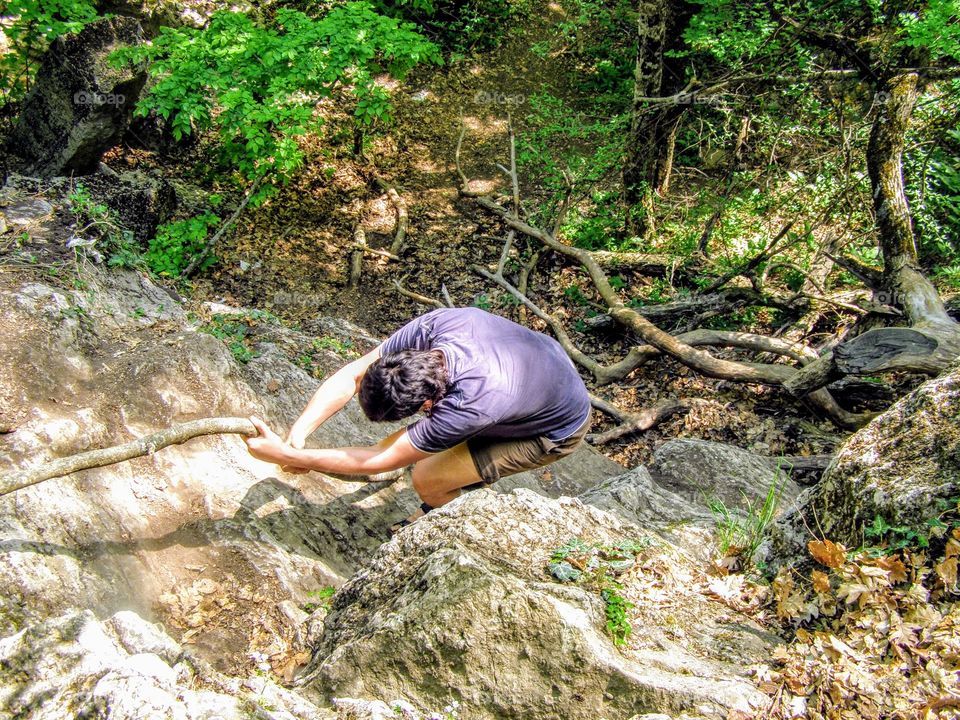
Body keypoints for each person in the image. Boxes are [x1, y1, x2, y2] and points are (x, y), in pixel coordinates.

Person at [244, 307, 591, 528]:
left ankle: (447, 525)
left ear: (427, 405)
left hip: (553, 430)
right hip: (534, 376)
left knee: (428, 479)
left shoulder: (471, 405)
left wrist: (290, 457)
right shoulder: (434, 327)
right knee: (423, 455)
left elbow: (381, 457)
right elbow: (354, 375)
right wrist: (298, 435)